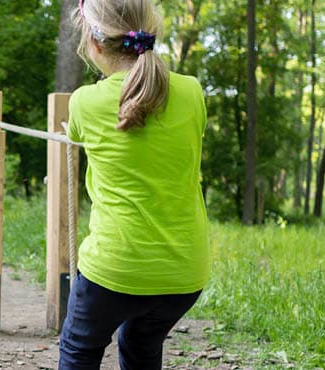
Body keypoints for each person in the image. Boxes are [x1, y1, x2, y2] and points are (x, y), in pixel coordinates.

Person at [59, 1, 210, 369]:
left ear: (95, 43)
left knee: (79, 348)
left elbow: (83, 133)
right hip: (184, 273)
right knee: (142, 342)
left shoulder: (84, 102)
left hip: (115, 269)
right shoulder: (191, 92)